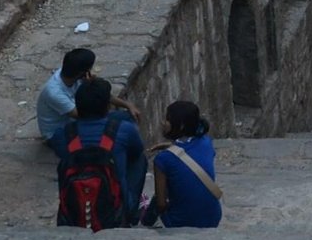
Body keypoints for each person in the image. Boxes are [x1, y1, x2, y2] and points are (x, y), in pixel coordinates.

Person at [50, 77, 146, 229]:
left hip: (75, 208)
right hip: (116, 207)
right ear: (107, 107)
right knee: (139, 158)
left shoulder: (62, 135)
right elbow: (137, 151)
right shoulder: (124, 130)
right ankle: (132, 211)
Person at [141, 100, 222, 229]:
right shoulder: (206, 142)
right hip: (213, 218)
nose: (163, 123)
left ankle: (145, 221)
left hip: (181, 223)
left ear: (181, 126)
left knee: (160, 195)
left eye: (167, 119)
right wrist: (174, 147)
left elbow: (161, 204)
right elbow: (193, 152)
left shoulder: (163, 159)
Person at [36, 47, 139, 142]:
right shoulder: (54, 92)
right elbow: (84, 115)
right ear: (82, 72)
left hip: (78, 121)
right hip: (59, 133)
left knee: (128, 118)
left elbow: (104, 96)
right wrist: (89, 88)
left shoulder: (76, 78)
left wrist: (128, 105)